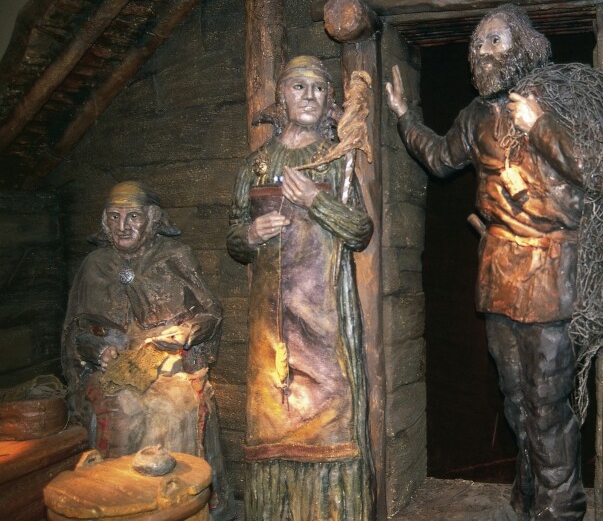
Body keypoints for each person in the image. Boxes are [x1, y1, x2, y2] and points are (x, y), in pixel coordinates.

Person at [386, 4, 603, 521]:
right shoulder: (475, 116)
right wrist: (404, 116)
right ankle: (528, 496)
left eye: (493, 41)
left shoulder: (558, 103)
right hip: (499, 274)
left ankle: (562, 506)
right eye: (476, 45)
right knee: (516, 399)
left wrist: (538, 122)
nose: (480, 52)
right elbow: (439, 158)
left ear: (522, 46)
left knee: (548, 403)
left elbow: (593, 170)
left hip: (550, 275)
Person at [227, 55, 374, 520]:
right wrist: (250, 235)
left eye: (318, 88)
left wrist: (314, 201)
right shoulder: (255, 166)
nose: (308, 95)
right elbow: (234, 232)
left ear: (330, 101)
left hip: (324, 317)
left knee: (331, 421)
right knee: (273, 424)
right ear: (282, 99)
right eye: (298, 87)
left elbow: (360, 230)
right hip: (270, 325)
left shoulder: (339, 161)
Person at [61, 180, 235, 521]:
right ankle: (122, 504)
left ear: (153, 219)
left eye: (133, 217)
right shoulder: (94, 265)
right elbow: (74, 331)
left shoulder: (175, 256)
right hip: (110, 371)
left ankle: (179, 504)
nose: (122, 226)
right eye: (113, 217)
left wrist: (186, 332)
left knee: (173, 406)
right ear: (103, 221)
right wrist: (97, 350)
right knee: (124, 406)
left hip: (170, 365)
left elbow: (211, 312)